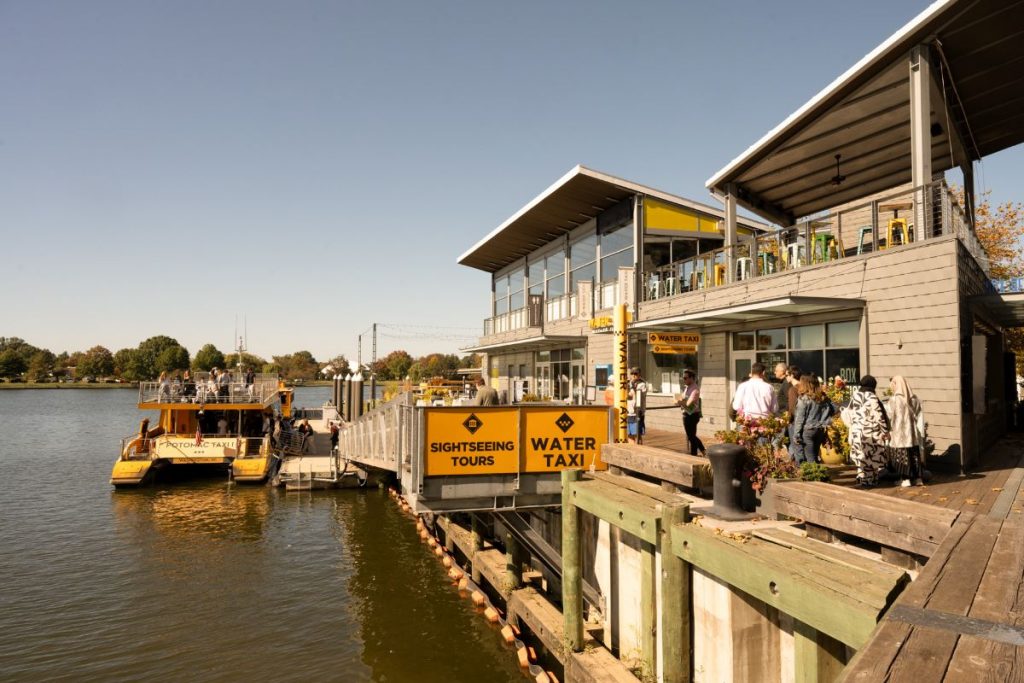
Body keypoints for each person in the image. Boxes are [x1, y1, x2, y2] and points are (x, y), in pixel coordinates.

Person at [849, 375, 890, 487]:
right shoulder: (872, 397)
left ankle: (861, 477)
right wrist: (885, 431)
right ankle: (869, 481)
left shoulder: (855, 395)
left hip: (857, 432)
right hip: (870, 432)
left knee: (861, 456)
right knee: (871, 457)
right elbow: (879, 416)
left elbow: (849, 413)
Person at [888, 375, 926, 487]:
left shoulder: (893, 400)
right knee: (914, 454)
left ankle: (905, 479)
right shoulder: (915, 399)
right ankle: (918, 479)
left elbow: (889, 416)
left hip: (899, 433)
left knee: (902, 456)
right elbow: (919, 414)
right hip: (912, 433)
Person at [791, 375, 835, 464]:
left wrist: (796, 435)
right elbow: (833, 410)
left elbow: (800, 418)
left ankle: (814, 476)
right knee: (815, 455)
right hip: (820, 430)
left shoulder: (804, 399)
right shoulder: (823, 398)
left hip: (808, 430)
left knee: (810, 458)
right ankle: (818, 473)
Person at [676, 369, 705, 456]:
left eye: (685, 378)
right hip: (687, 414)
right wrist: (679, 400)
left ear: (692, 378)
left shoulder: (695, 389)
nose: (684, 380)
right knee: (691, 436)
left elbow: (688, 403)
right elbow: (684, 399)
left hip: (692, 415)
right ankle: (702, 451)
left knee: (691, 436)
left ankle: (695, 454)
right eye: (683, 378)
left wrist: (680, 402)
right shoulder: (687, 388)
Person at [628, 368, 648, 445]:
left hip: (638, 411)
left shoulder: (642, 384)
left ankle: (638, 448)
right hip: (630, 411)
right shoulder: (630, 383)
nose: (634, 375)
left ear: (639, 374)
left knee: (637, 434)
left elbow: (634, 395)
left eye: (636, 374)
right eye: (632, 373)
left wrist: (631, 387)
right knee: (630, 434)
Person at [786, 366, 802, 457]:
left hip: (795, 422)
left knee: (797, 448)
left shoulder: (793, 389)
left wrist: (788, 420)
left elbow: (792, 408)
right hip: (807, 421)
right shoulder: (805, 387)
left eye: (787, 375)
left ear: (792, 375)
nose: (786, 377)